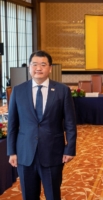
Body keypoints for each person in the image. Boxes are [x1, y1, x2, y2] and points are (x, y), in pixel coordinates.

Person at [7, 50, 77, 200]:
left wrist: (70, 149)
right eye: (35, 64)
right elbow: (12, 124)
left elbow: (70, 123)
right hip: (25, 154)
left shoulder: (62, 91)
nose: (38, 68)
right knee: (29, 196)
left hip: (53, 152)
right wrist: (11, 151)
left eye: (43, 64)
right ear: (29, 67)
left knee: (52, 195)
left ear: (50, 68)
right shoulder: (18, 91)